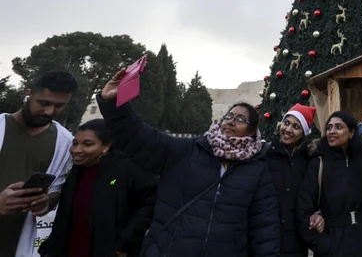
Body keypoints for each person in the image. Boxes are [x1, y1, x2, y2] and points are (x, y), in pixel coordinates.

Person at [97, 69, 280, 257]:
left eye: (241, 119)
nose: (231, 121)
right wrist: (113, 105)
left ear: (252, 132)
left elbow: (264, 226)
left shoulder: (257, 170)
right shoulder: (187, 150)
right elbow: (141, 138)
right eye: (229, 116)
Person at [39, 119, 157, 257]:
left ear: (106, 146)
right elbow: (66, 215)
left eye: (87, 144)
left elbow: (150, 204)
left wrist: (125, 242)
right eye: (75, 143)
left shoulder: (129, 170)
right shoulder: (76, 171)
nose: (76, 150)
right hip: (71, 247)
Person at [0, 70, 76, 257]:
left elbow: (57, 190)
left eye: (59, 106)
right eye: (44, 103)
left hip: (15, 244)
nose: (50, 111)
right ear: (28, 94)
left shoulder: (66, 143)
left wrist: (47, 202)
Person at [296, 111, 362, 257]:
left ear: (351, 132)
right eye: (329, 128)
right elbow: (303, 210)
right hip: (333, 243)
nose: (332, 131)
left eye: (338, 127)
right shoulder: (318, 163)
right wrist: (325, 245)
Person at [265, 104, 324, 257]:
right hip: (266, 237)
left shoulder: (310, 161)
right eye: (286, 123)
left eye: (296, 126)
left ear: (304, 133)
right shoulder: (265, 155)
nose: (288, 129)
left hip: (296, 241)